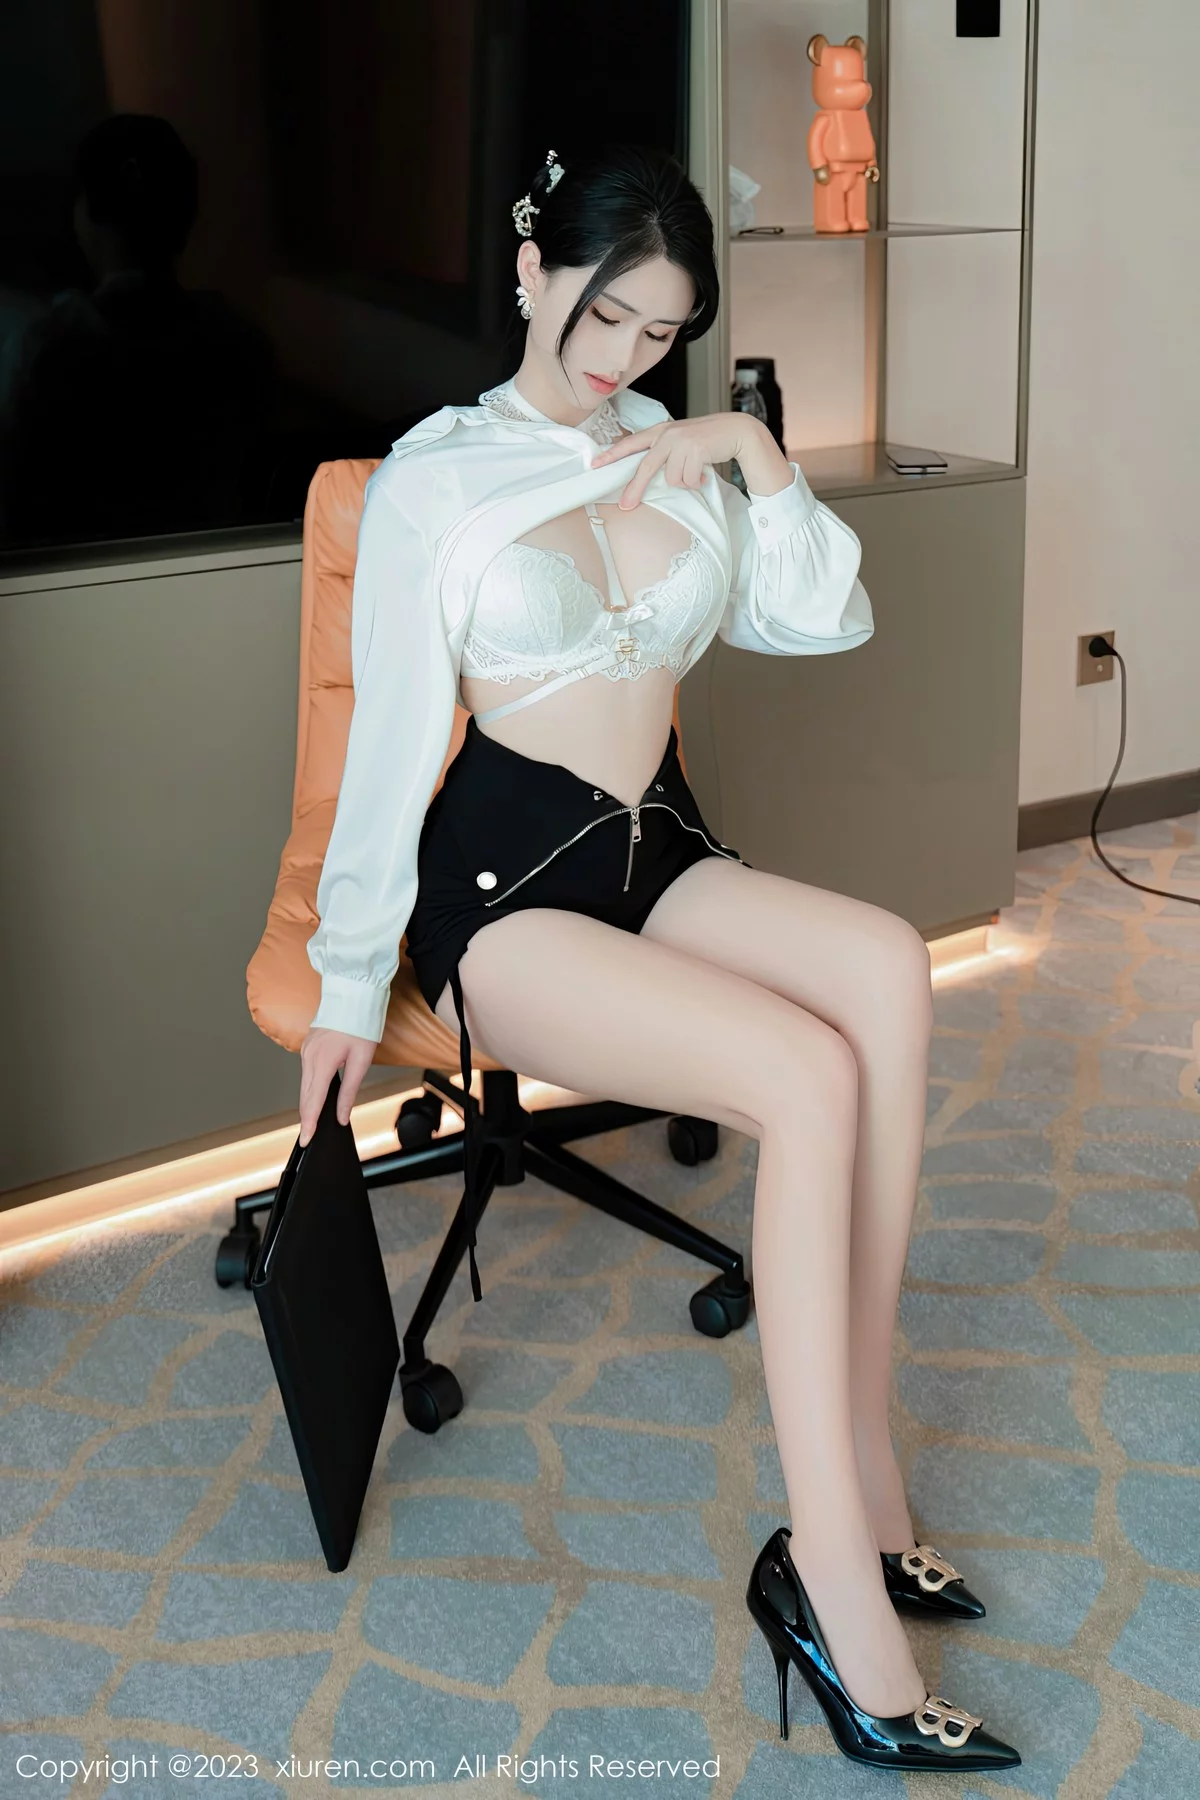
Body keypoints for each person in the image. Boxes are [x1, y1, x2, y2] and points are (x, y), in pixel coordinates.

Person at [296, 143, 1021, 1775]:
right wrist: (348, 984)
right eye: (604, 318)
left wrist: (746, 451)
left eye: (662, 333)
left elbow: (821, 618)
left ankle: (869, 1481)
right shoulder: (434, 482)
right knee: (804, 1073)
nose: (624, 358)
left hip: (657, 849)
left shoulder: (672, 448)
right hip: (507, 891)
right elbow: (389, 742)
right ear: (533, 269)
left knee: (888, 971)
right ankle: (831, 1583)